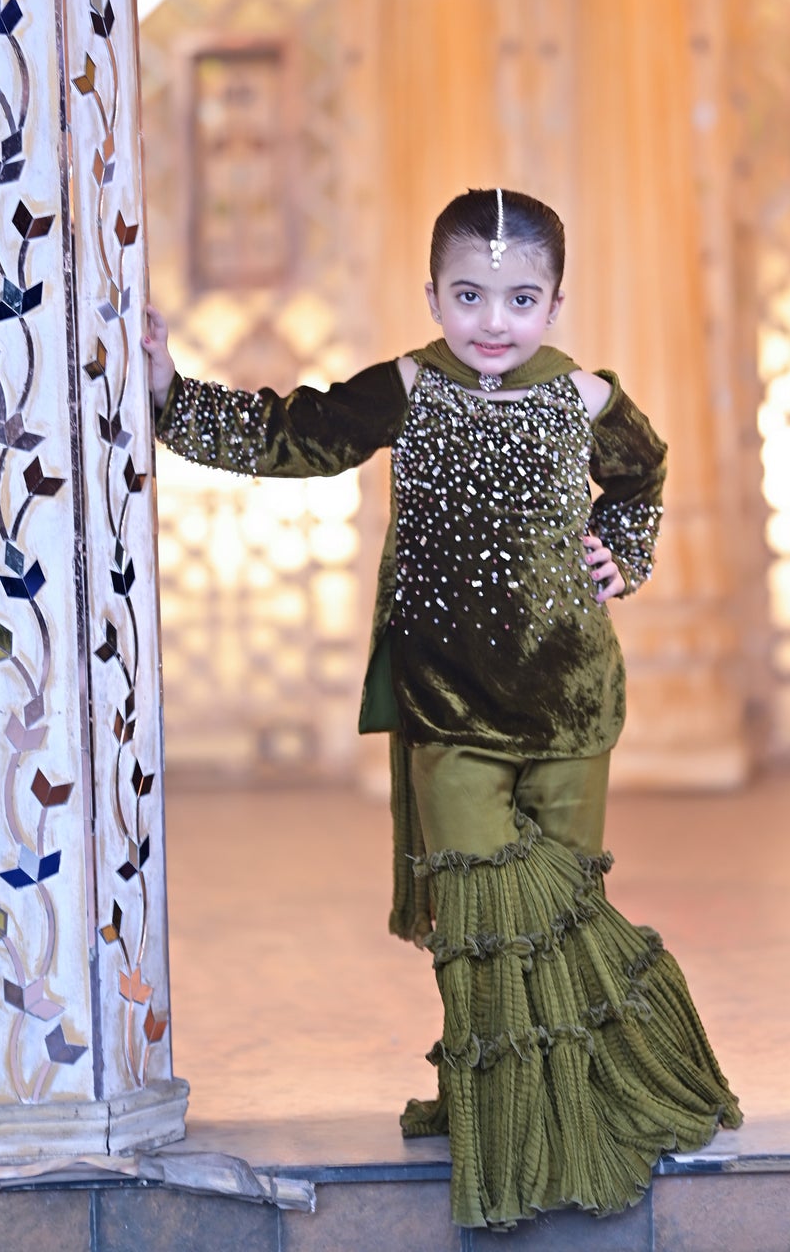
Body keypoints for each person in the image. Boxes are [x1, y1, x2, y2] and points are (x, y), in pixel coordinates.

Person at [143, 186, 740, 1230]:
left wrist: (624, 549)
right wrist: (166, 395)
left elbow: (642, 478)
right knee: (484, 920)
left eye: (520, 299)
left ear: (556, 303)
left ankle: (579, 1101)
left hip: (570, 706)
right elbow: (296, 437)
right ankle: (508, 1119)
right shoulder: (409, 388)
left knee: (561, 915)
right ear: (431, 295)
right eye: (469, 295)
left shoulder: (589, 399)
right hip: (449, 706)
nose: (492, 322)